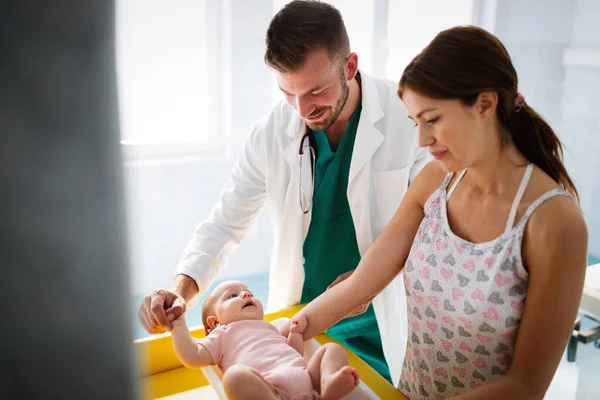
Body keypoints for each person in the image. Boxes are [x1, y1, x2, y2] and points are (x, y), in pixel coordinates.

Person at [285, 25, 588, 399]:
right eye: (416, 123)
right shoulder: (436, 183)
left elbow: (524, 386)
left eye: (433, 120)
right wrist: (290, 330)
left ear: (485, 104)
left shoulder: (554, 223)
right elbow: (360, 284)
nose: (422, 140)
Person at [137, 0, 429, 385]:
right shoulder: (271, 132)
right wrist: (180, 291)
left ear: (350, 66)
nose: (302, 109)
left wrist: (366, 278)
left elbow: (435, 221)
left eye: (316, 91)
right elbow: (225, 223)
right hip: (301, 320)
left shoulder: (410, 117)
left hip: (390, 317)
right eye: (288, 93)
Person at [170, 281, 359, 400]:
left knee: (331, 349)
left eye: (249, 292)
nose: (246, 294)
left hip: (306, 377)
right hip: (269, 388)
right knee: (234, 377)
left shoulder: (271, 327)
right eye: (233, 296)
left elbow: (294, 353)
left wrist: (296, 334)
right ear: (214, 322)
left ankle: (327, 384)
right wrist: (178, 326)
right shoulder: (221, 334)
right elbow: (192, 356)